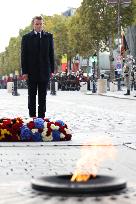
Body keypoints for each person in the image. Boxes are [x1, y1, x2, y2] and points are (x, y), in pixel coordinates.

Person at [21, 16, 55, 118]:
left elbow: (51, 54)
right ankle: (32, 118)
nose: (39, 26)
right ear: (33, 24)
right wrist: (25, 72)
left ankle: (41, 120)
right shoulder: (26, 38)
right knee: (31, 97)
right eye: (37, 24)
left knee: (42, 98)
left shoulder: (49, 37)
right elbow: (23, 56)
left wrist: (52, 70)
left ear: (43, 24)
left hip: (44, 71)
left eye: (40, 24)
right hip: (31, 73)